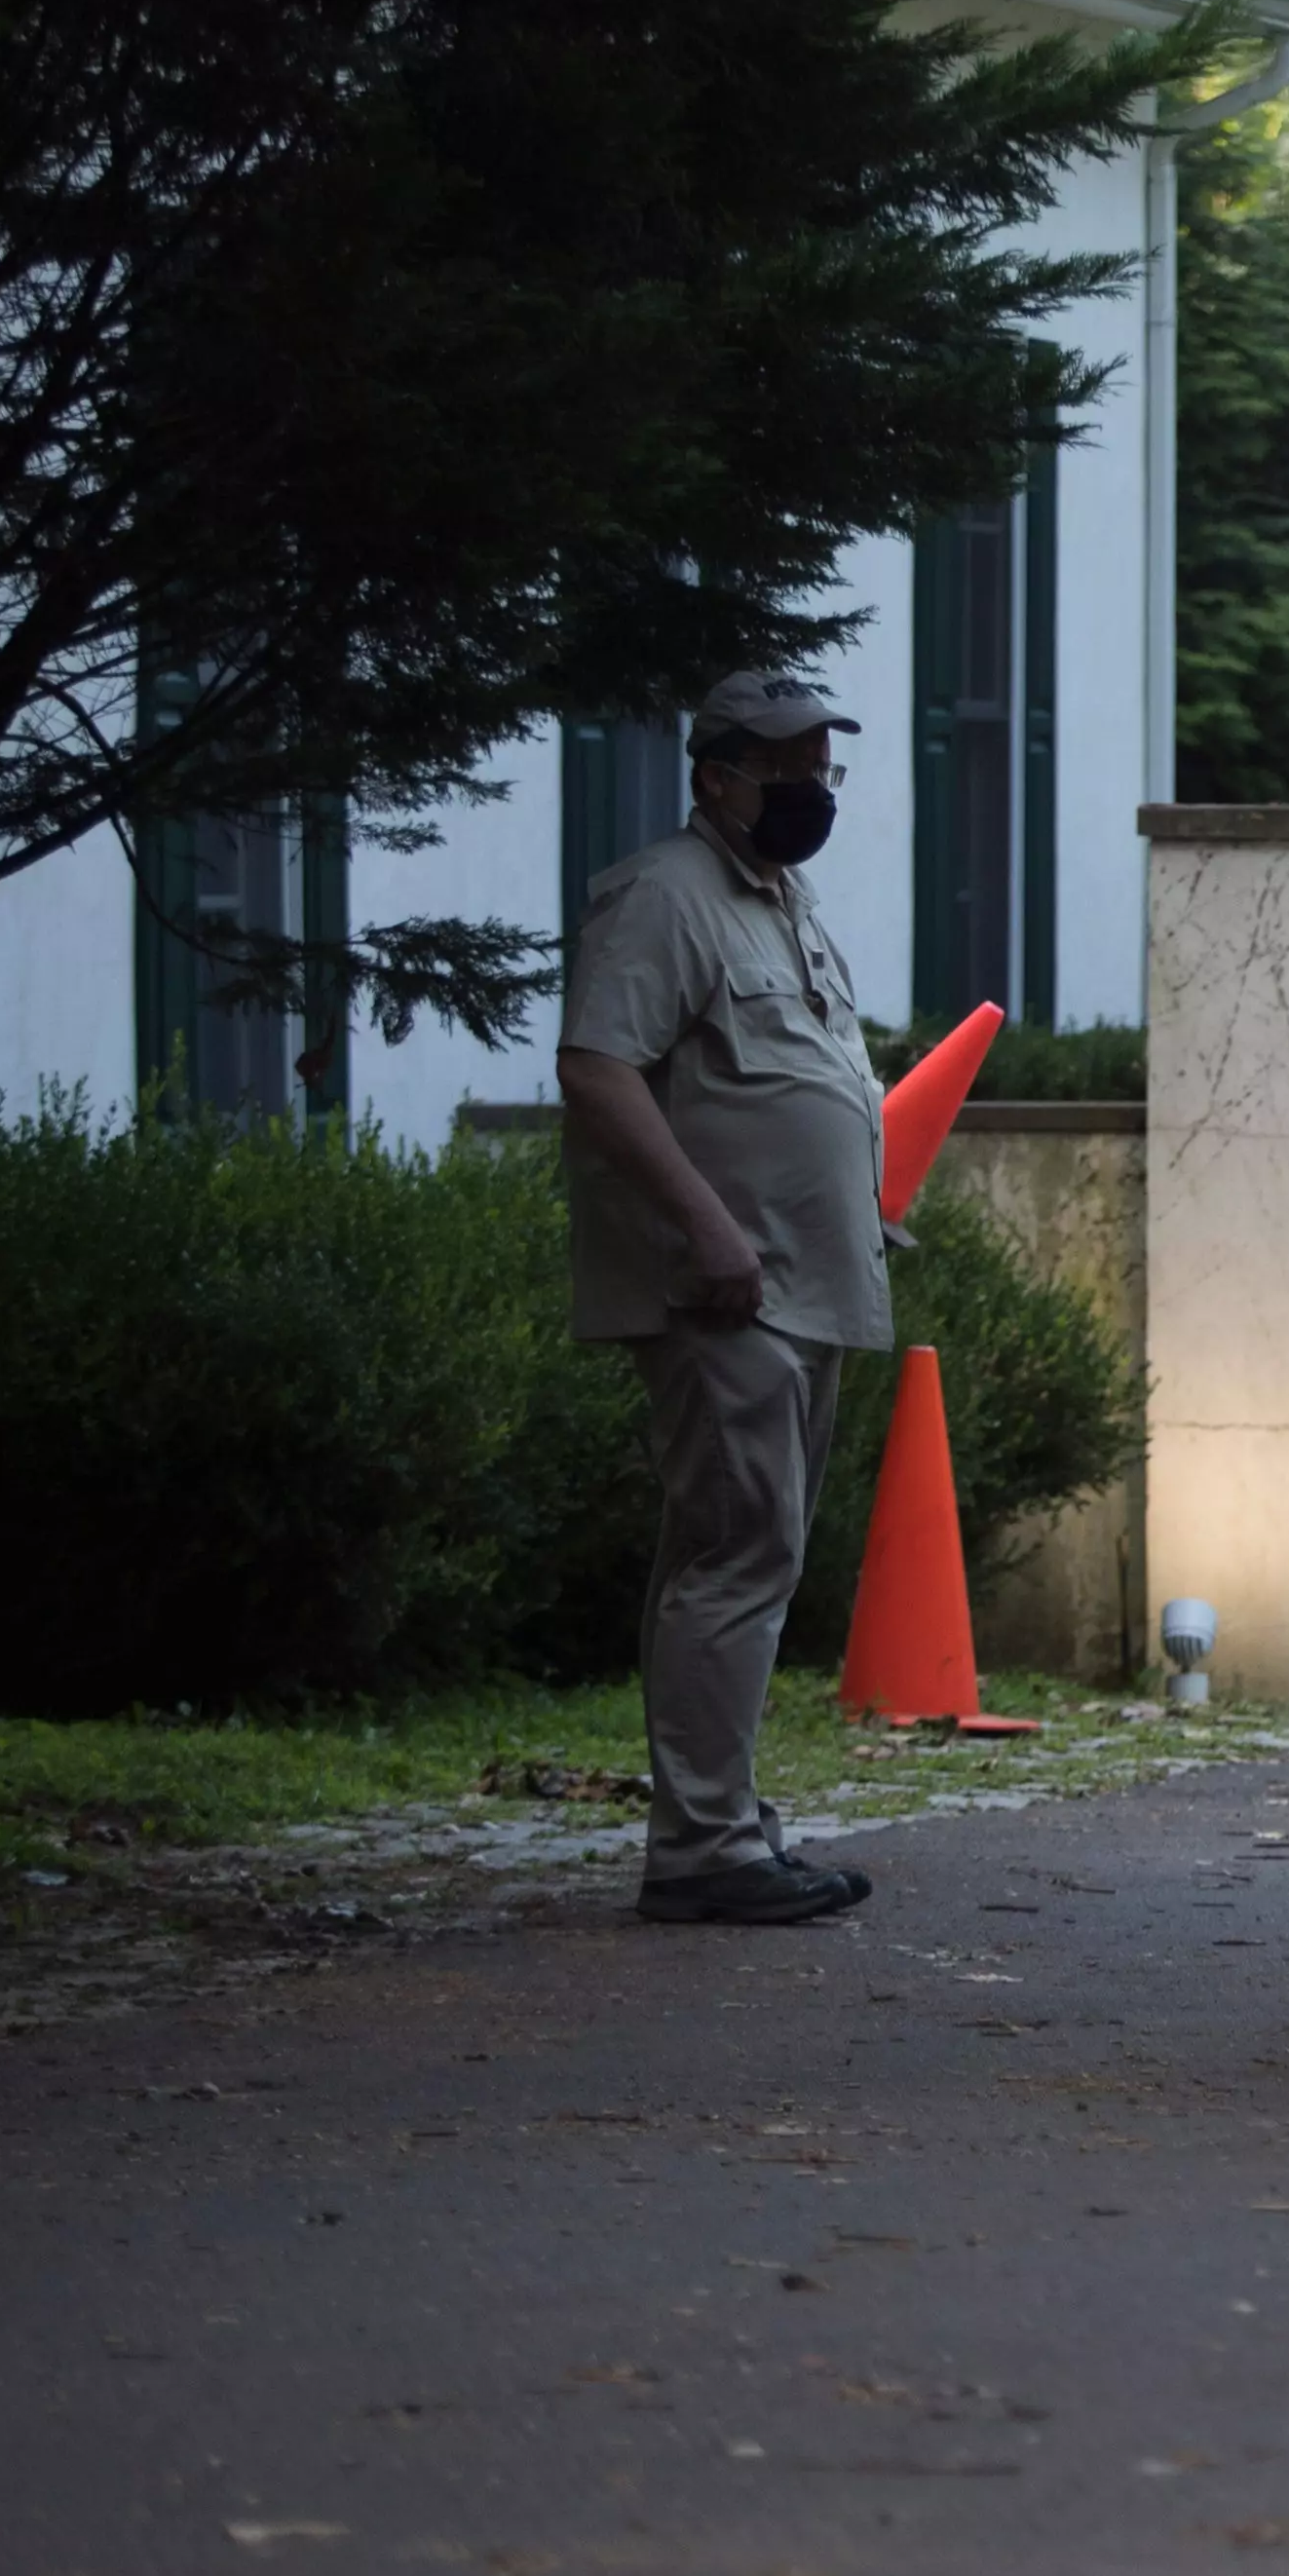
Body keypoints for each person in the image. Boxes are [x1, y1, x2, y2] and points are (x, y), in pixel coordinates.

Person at [552, 671, 896, 1925]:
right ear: (718, 778)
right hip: (729, 1287)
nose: (814, 792)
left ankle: (726, 1821)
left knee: (738, 1550)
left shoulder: (779, 902)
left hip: (801, 1284)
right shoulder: (665, 896)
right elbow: (596, 1067)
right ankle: (704, 1849)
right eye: (790, 769)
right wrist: (708, 1227)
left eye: (823, 769)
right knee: (737, 1552)